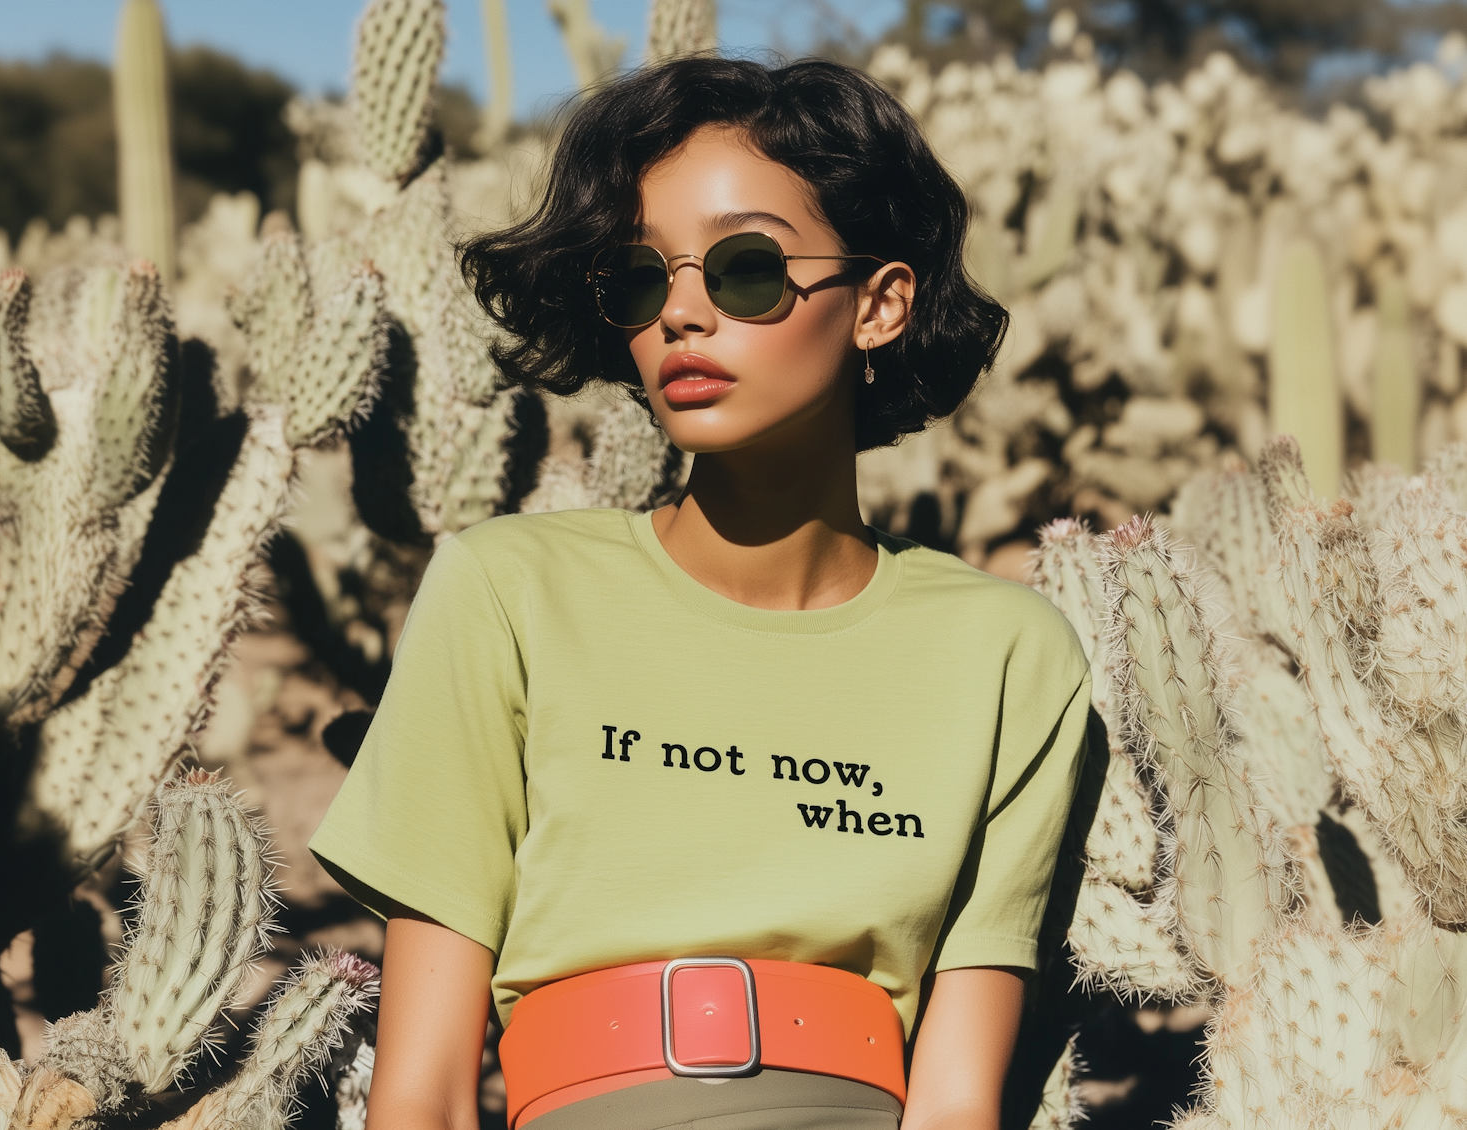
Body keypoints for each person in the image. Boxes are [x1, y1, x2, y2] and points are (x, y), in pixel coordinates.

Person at [310, 54, 1091, 1130]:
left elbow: (959, 1094)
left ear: (879, 303)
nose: (681, 312)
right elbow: (425, 1090)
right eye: (641, 277)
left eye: (745, 269)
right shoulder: (507, 590)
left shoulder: (1006, 650)